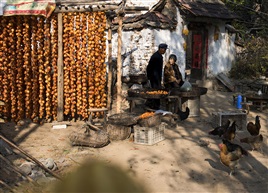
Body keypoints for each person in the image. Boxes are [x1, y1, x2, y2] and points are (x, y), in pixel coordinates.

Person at [146, 43, 168, 109]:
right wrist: (152, 77)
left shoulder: (159, 56)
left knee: (156, 91)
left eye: (165, 50)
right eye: (164, 49)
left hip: (156, 77)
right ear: (160, 49)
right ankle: (154, 106)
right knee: (156, 92)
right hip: (154, 77)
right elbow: (150, 67)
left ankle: (155, 105)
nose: (165, 51)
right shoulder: (156, 56)